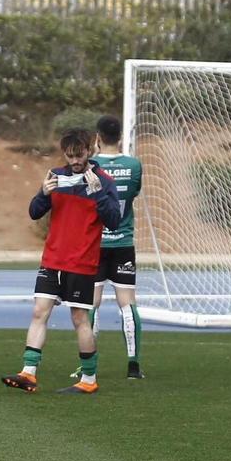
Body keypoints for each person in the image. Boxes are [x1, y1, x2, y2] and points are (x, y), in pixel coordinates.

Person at [2, 127, 121, 395]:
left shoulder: (104, 181)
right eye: (70, 156)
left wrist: (99, 193)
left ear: (90, 150)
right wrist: (43, 193)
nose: (75, 161)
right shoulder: (55, 176)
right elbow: (34, 212)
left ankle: (89, 379)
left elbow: (114, 221)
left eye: (79, 155)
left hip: (81, 262)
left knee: (79, 319)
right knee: (38, 312)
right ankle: (28, 373)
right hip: (52, 259)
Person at [90, 114, 146, 379]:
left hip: (95, 243)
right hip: (123, 241)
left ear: (97, 138)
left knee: (92, 304)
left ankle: (87, 362)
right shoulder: (134, 165)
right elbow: (133, 192)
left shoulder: (89, 166)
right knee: (127, 304)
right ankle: (133, 365)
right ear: (121, 136)